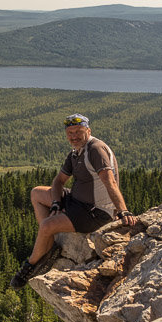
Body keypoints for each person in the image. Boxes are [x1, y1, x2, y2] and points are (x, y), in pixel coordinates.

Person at [9, 113, 138, 289]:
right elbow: (58, 181)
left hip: (94, 212)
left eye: (78, 131)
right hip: (76, 200)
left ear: (88, 131)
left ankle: (30, 266)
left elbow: (110, 182)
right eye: (70, 133)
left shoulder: (95, 149)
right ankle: (50, 244)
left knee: (46, 225)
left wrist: (123, 211)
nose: (74, 136)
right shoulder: (75, 153)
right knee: (37, 193)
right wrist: (56, 203)